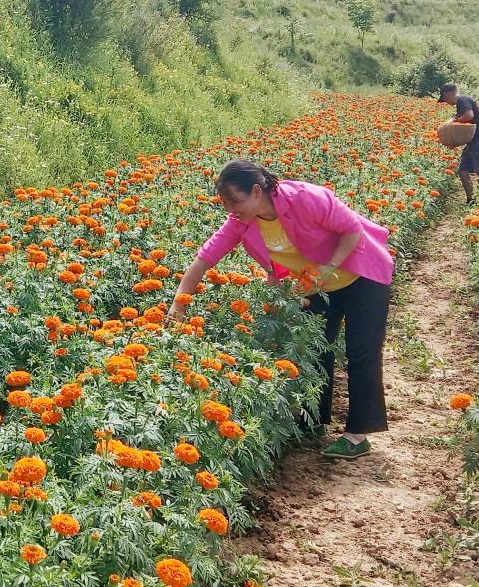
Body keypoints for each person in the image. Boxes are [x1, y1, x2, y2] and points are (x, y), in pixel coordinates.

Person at [166, 160, 394, 461]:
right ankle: (314, 421)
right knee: (314, 350)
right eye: (225, 203)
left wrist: (328, 268)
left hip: (360, 274)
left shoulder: (305, 197)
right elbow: (204, 260)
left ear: (257, 191)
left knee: (361, 350)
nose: (231, 210)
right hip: (316, 285)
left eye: (235, 201)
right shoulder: (241, 221)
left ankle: (357, 435)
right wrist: (177, 306)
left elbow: (352, 230)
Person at [437, 82, 479, 205]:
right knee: (463, 171)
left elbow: (468, 116)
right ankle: (471, 200)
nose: (445, 102)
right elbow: (465, 129)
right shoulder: (462, 102)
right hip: (472, 141)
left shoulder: (463, 99)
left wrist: (454, 121)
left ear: (447, 93)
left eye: (444, 99)